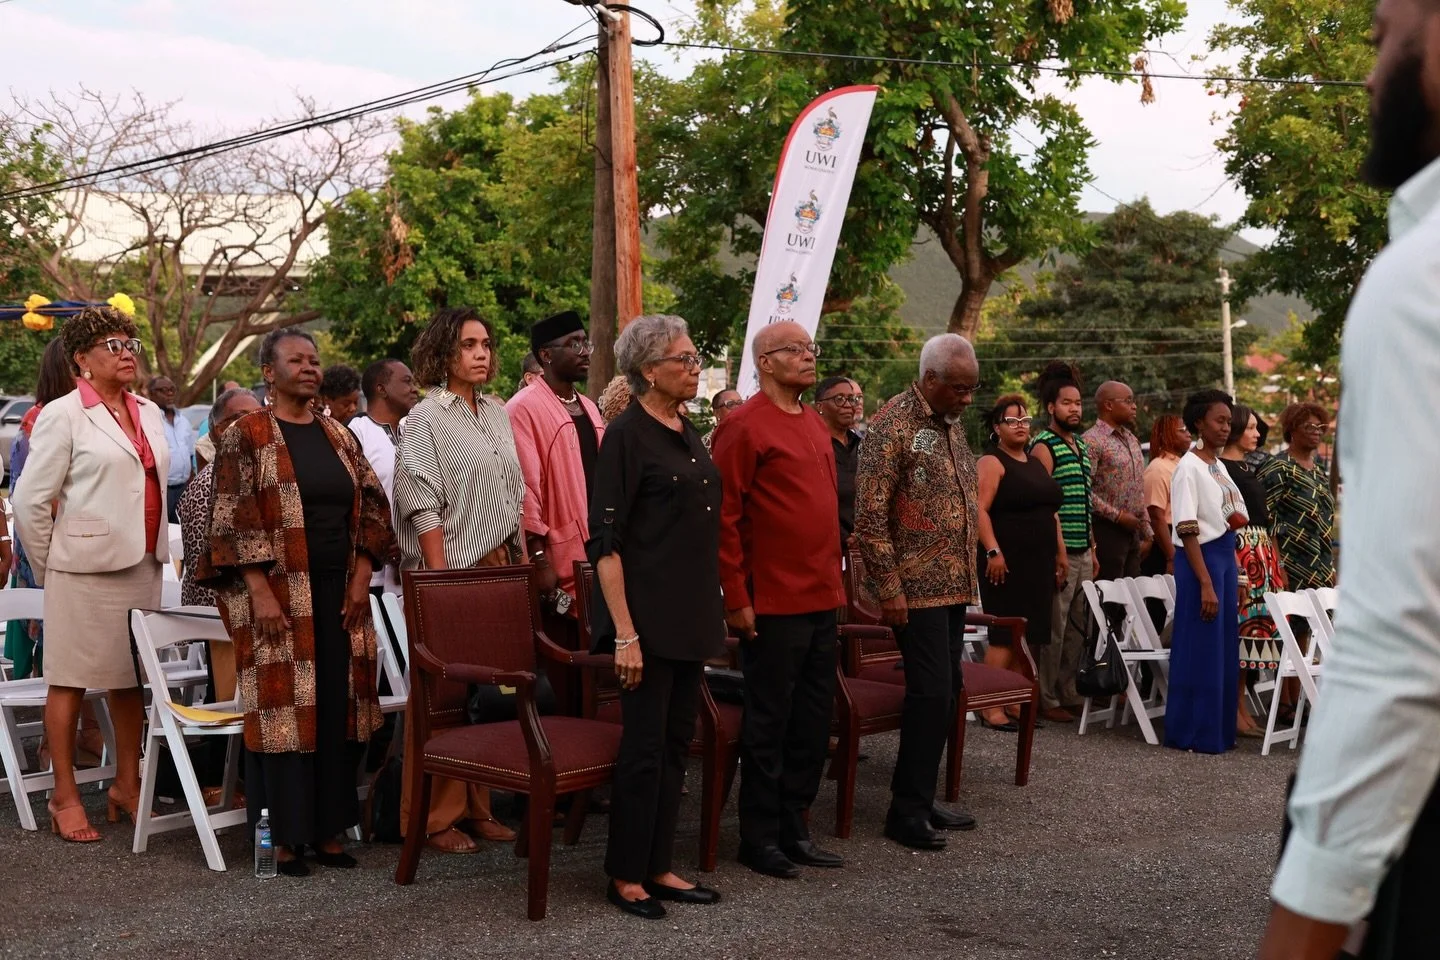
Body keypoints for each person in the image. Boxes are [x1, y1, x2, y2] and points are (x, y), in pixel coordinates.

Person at [1260, 5, 1440, 950]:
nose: (1368, 79)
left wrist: (1303, 922)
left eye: (1379, 39)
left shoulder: (1421, 279)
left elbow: (1409, 639)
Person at [198, 328, 397, 876]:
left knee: (340, 709)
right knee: (284, 714)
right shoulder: (248, 434)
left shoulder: (338, 434)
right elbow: (233, 517)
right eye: (296, 360)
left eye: (314, 360)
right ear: (269, 371)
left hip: (340, 595)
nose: (309, 368)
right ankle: (283, 840)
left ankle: (329, 832)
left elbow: (374, 507)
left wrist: (362, 577)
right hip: (279, 597)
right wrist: (259, 592)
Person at [13, 306, 170, 843]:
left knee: (129, 682)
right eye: (111, 344)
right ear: (81, 359)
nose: (126, 352)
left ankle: (128, 785)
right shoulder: (64, 413)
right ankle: (65, 794)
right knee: (70, 681)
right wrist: (51, 563)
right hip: (80, 568)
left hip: (142, 562)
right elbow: (30, 499)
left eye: (131, 343)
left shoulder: (149, 410)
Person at [587, 314, 725, 919]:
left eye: (697, 360)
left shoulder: (687, 431)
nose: (695, 368)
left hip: (690, 612)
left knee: (675, 745)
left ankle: (660, 864)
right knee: (643, 749)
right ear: (649, 370)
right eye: (685, 359)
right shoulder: (625, 434)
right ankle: (625, 874)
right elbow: (606, 544)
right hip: (642, 619)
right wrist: (624, 634)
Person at [712, 320, 845, 878]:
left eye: (811, 348)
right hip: (771, 601)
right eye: (796, 350)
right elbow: (724, 519)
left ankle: (796, 824)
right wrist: (736, 598)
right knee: (770, 720)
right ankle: (758, 836)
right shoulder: (742, 427)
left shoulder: (814, 421)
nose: (809, 357)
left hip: (822, 595)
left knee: (814, 719)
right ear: (765, 361)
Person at [393, 307, 525, 854]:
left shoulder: (497, 412)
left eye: (486, 344)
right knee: (444, 694)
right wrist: (441, 581)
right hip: (448, 569)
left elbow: (513, 491)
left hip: (500, 565)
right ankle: (432, 818)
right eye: (468, 344)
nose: (481, 353)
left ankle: (479, 806)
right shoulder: (425, 417)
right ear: (445, 352)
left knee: (493, 689)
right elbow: (420, 499)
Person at [855, 333, 982, 851]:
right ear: (930, 379)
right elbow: (869, 516)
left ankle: (922, 796)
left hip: (952, 585)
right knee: (930, 694)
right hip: (912, 590)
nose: (967, 399)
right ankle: (904, 812)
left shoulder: (949, 426)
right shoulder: (893, 426)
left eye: (973, 389)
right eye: (959, 389)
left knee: (946, 692)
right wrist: (889, 589)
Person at [506, 310, 606, 644]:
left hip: (601, 547)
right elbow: (525, 489)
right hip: (558, 555)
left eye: (584, 342)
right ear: (546, 355)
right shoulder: (523, 408)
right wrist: (538, 558)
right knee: (569, 658)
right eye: (573, 344)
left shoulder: (589, 406)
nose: (584, 351)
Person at [973, 394, 1064, 731]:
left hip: (1039, 563)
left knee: (1027, 637)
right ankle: (989, 706)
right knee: (1004, 636)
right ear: (997, 427)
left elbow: (1049, 514)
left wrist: (1061, 553)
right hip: (1006, 563)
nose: (1021, 426)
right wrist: (993, 551)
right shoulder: (991, 462)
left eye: (1025, 420)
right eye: (1012, 421)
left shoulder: (1035, 462)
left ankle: (1012, 700)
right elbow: (978, 510)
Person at [1164, 390, 1246, 755]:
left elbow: (1228, 520)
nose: (1226, 427)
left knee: (1223, 649)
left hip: (1225, 560)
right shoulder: (1188, 468)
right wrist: (1206, 583)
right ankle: (1193, 731)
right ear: (1199, 422)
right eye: (1220, 420)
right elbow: (1186, 527)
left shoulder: (1218, 465)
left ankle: (1219, 731)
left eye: (1229, 421)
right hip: (1201, 562)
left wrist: (1238, 573)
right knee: (1201, 647)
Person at [1028, 362, 1093, 722]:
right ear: (1051, 407)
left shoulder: (1081, 446)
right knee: (1054, 627)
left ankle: (1068, 690)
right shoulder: (1043, 444)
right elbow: (1045, 504)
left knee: (1078, 627)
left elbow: (1085, 497)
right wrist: (1059, 553)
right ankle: (1047, 697)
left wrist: (1093, 549)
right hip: (1061, 553)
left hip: (1085, 550)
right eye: (1067, 403)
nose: (1075, 409)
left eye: (1078, 403)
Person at [5, 337, 71, 681]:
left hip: (50, 543)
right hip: (46, 547)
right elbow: (36, 500)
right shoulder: (41, 421)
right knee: (58, 653)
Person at [1219, 403, 1285, 738]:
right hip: (1242, 553)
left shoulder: (1245, 466)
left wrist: (1276, 562)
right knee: (1241, 631)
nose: (1257, 434)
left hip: (1261, 552)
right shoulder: (1221, 468)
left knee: (1251, 636)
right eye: (1251, 428)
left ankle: (1241, 709)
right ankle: (1233, 710)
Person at [177, 388, 262, 607]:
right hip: (218, 620)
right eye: (239, 417)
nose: (251, 423)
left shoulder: (249, 474)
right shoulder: (215, 481)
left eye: (258, 415)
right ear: (217, 431)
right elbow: (215, 578)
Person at [349, 359, 419, 596]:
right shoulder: (357, 433)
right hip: (375, 577)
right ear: (381, 389)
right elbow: (354, 500)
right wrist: (383, 541)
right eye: (406, 381)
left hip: (418, 566)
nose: (414, 388)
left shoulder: (416, 431)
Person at [1257, 401, 1336, 594]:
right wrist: (1279, 567)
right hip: (1291, 567)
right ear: (1292, 430)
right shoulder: (1277, 467)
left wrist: (1330, 565)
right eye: (1309, 426)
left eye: (1320, 427)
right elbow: (1266, 520)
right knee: (1293, 622)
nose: (1317, 431)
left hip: (1321, 566)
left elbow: (1324, 522)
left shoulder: (1318, 471)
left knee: (1323, 622)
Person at [1084, 381, 1152, 580]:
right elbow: (1085, 492)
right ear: (1108, 405)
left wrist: (1147, 530)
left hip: (1133, 532)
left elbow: (1137, 489)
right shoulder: (1092, 441)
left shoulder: (1131, 439)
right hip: (1106, 531)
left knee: (1134, 596)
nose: (1134, 406)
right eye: (1128, 401)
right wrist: (1118, 516)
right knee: (1111, 598)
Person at [813, 376, 864, 548]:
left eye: (852, 399)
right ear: (820, 406)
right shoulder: (812, 448)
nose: (849, 405)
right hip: (828, 548)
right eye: (839, 399)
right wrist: (843, 536)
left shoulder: (863, 446)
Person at [1142, 414, 1190, 577]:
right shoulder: (1158, 468)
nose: (1188, 434)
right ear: (1166, 435)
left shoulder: (1181, 464)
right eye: (1182, 430)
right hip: (1166, 541)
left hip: (1183, 535)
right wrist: (1171, 556)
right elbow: (1156, 517)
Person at [149, 376, 196, 523]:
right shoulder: (149, 420)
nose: (169, 394)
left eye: (172, 390)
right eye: (163, 390)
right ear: (151, 394)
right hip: (162, 490)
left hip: (183, 488)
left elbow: (189, 454)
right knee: (162, 530)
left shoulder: (184, 421)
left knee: (182, 529)